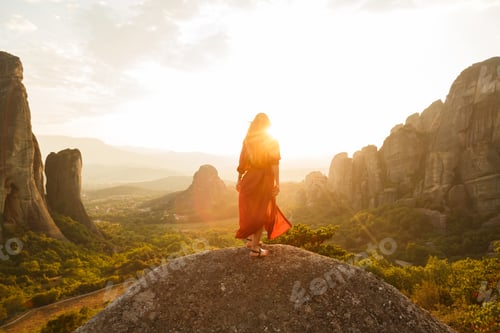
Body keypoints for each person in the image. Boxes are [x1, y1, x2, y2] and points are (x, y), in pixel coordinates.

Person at [235, 113, 291, 257]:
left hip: (250, 177)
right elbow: (274, 163)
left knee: (252, 209)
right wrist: (277, 183)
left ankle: (250, 240)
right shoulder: (271, 140)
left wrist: (239, 179)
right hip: (264, 178)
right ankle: (255, 249)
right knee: (261, 212)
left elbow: (242, 162)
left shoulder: (248, 140)